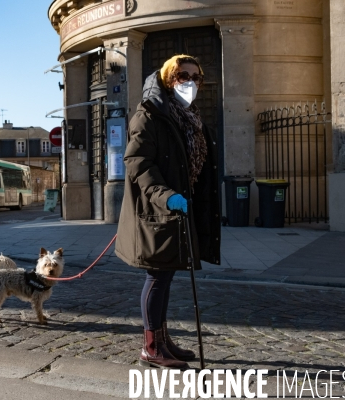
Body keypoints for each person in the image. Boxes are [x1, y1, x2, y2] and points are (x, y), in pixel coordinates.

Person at [115, 55, 221, 369]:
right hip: (157, 211)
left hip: (178, 213)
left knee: (167, 274)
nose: (189, 82)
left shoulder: (189, 116)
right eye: (181, 75)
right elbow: (137, 163)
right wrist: (167, 196)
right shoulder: (149, 114)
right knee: (158, 276)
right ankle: (151, 345)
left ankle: (162, 340)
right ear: (167, 79)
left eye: (195, 77)